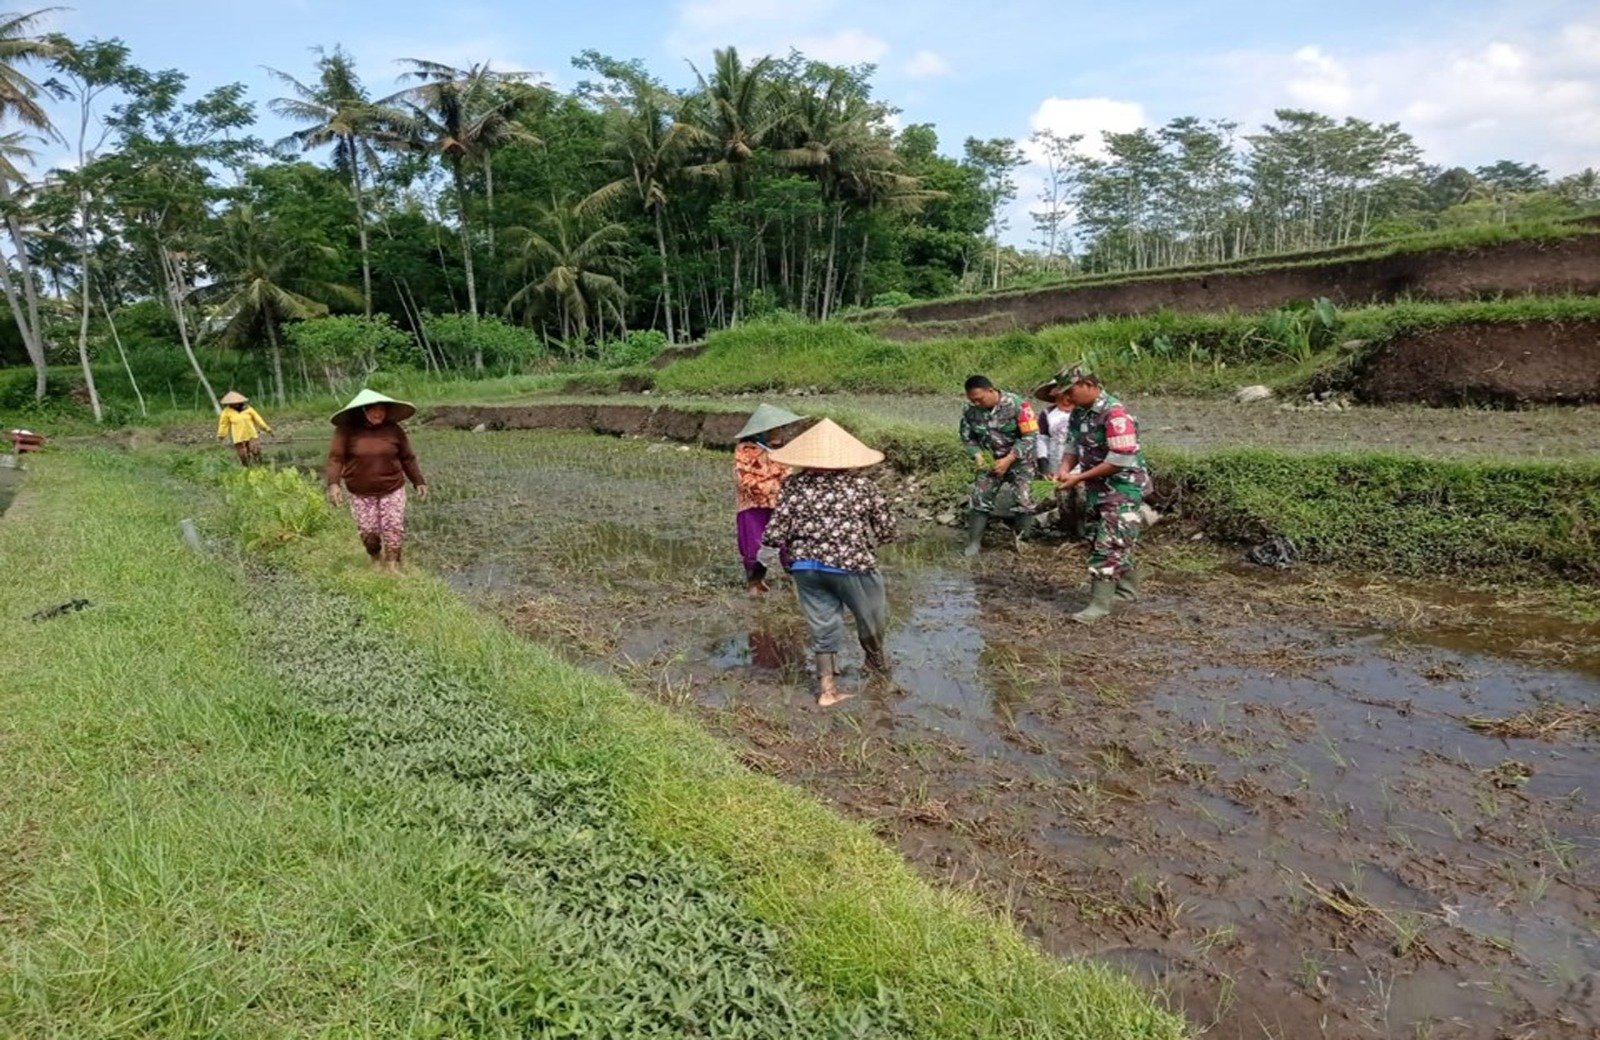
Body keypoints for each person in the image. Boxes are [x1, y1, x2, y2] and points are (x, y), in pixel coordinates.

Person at [763, 418, 897, 708]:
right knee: (872, 618)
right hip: (852, 565)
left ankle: (827, 691)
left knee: (822, 626)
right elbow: (887, 530)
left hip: (806, 568)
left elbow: (775, 533)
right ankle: (876, 663)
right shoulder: (862, 487)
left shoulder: (793, 485)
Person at [1045, 363, 1153, 624]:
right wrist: (1064, 469)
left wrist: (1078, 478)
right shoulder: (1079, 414)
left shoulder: (1115, 415)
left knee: (1107, 545)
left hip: (1123, 487)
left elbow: (1119, 460)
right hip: (1099, 489)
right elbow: (1072, 445)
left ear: (1089, 386)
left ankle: (1099, 606)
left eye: (1070, 392)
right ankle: (1127, 592)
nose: (1066, 399)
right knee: (1104, 538)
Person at [325, 389, 428, 572]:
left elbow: (407, 458)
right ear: (363, 410)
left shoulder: (394, 430)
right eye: (373, 409)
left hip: (392, 487)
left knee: (393, 526)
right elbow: (336, 458)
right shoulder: (346, 431)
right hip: (360, 491)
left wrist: (418, 481)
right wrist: (334, 484)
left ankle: (393, 564)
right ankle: (375, 557)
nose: (378, 413)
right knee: (368, 531)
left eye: (382, 409)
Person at [959, 374, 1039, 556]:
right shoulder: (970, 410)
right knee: (979, 498)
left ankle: (1022, 542)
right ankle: (974, 543)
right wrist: (978, 455)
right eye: (972, 400)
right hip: (990, 462)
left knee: (1024, 500)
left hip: (1019, 461)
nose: (976, 404)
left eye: (979, 399)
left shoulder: (1018, 405)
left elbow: (1030, 436)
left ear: (991, 390)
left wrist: (1009, 459)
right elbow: (967, 437)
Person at [733, 403, 802, 594]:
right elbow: (746, 480)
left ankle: (796, 578)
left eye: (780, 428)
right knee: (753, 543)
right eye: (775, 429)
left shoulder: (782, 450)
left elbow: (787, 474)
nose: (780, 432)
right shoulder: (745, 450)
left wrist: (777, 486)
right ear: (761, 432)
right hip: (753, 505)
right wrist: (776, 486)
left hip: (780, 505)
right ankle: (755, 582)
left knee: (789, 541)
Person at [216, 390, 271, 466]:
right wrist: (221, 435)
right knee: (243, 455)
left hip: (251, 434)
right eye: (232, 403)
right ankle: (247, 469)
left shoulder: (248, 409)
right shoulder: (226, 412)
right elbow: (223, 425)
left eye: (236, 402)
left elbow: (258, 420)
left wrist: (267, 429)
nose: (235, 404)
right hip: (239, 437)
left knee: (256, 451)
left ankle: (260, 466)